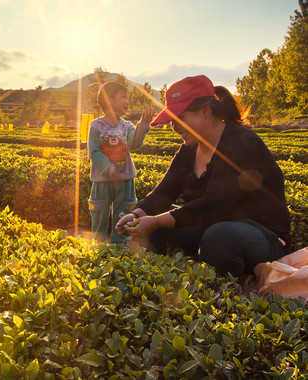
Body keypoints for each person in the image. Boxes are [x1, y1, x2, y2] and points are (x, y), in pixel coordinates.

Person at [115, 75, 291, 277]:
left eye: (180, 118)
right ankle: (153, 279)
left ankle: (231, 289)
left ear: (205, 111)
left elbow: (217, 204)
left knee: (220, 238)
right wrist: (138, 214)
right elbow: (164, 191)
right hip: (211, 226)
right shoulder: (188, 150)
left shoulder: (241, 142)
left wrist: (157, 220)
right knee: (152, 225)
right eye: (172, 121)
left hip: (261, 235)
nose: (175, 127)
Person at [88, 81, 154, 244]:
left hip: (125, 179)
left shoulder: (127, 126)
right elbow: (94, 151)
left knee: (123, 214)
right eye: (123, 97)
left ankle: (120, 246)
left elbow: (134, 145)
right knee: (99, 213)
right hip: (102, 180)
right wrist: (108, 169)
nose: (127, 102)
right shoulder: (96, 126)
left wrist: (143, 126)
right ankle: (98, 245)